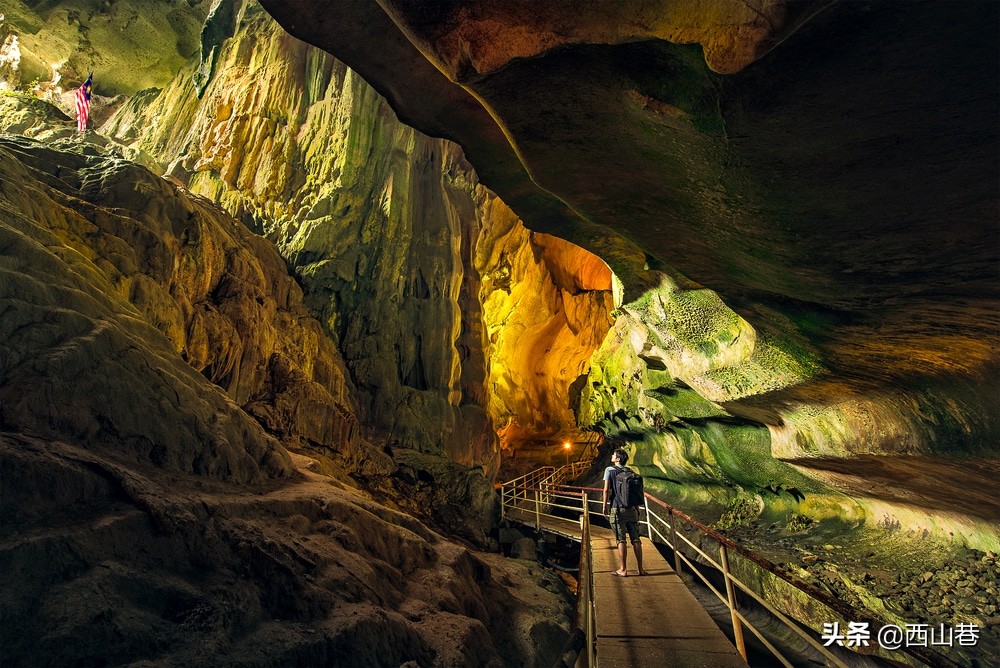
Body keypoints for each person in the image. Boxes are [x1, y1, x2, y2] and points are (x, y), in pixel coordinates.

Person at [603, 447, 645, 577]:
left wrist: (604, 506)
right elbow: (634, 492)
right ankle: (640, 569)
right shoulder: (630, 471)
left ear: (618, 459)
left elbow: (606, 490)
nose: (612, 456)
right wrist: (636, 508)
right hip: (631, 509)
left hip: (618, 509)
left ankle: (623, 569)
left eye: (613, 455)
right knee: (636, 539)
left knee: (621, 539)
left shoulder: (609, 470)